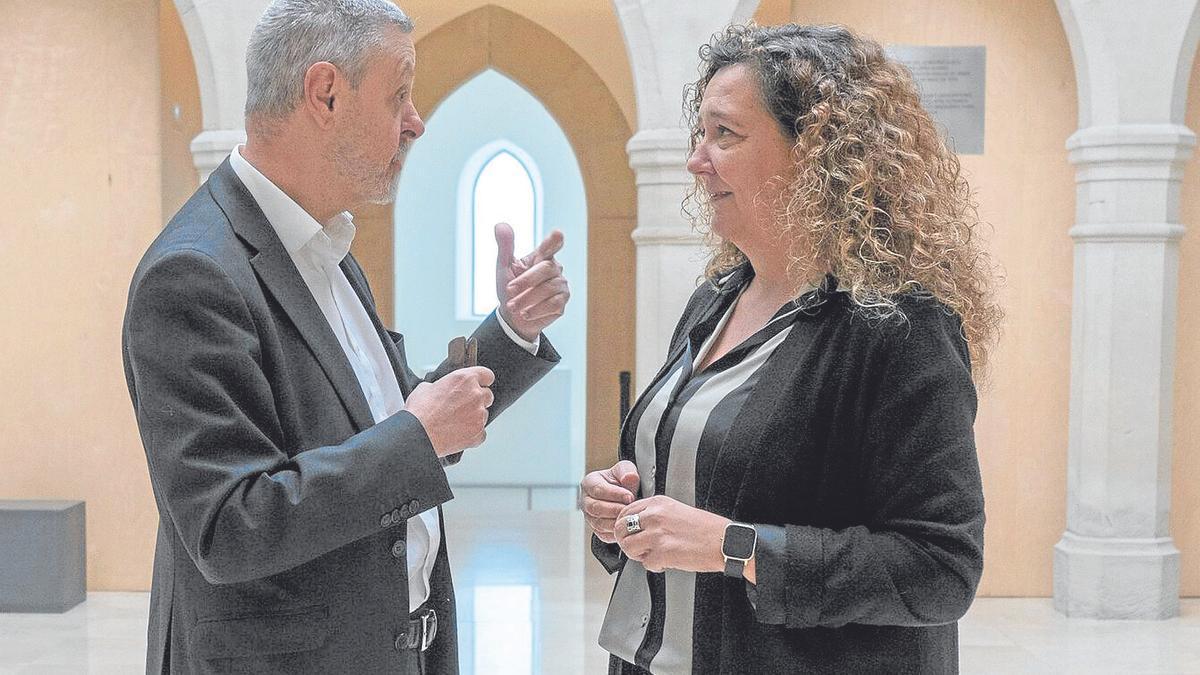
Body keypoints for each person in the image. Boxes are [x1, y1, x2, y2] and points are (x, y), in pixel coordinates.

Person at [121, 1, 570, 672]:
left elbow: (379, 421)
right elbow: (230, 523)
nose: (416, 120)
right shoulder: (194, 274)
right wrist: (417, 438)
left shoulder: (321, 243)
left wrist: (511, 330)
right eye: (399, 95)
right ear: (325, 93)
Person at [582, 23, 1000, 674]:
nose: (697, 160)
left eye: (725, 134)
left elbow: (939, 566)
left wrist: (733, 546)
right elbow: (699, 489)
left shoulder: (900, 327)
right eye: (701, 134)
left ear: (815, 154)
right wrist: (624, 513)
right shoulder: (715, 299)